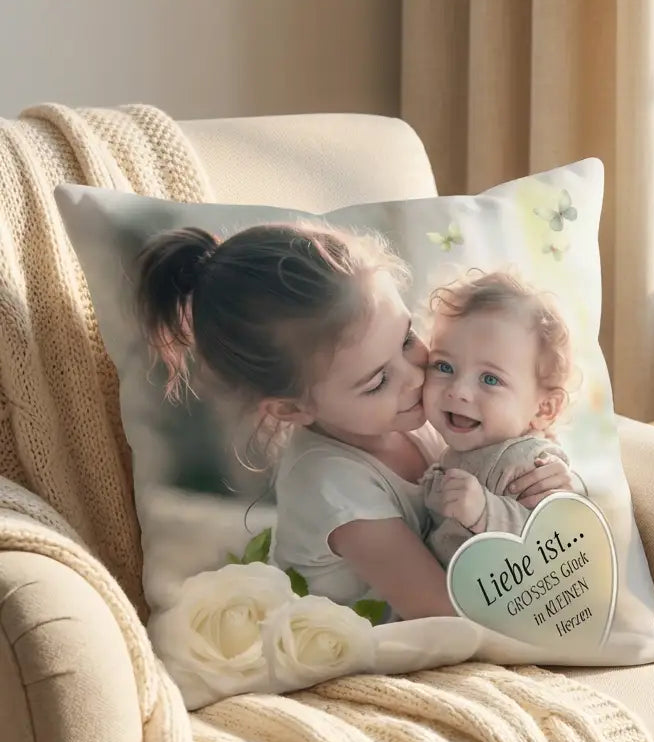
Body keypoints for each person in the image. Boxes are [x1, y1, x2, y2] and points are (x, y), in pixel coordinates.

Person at [134, 222, 572, 619]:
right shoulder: (332, 486)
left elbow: (500, 457)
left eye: (406, 339)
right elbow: (445, 611)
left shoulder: (411, 412)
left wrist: (543, 478)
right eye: (378, 380)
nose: (417, 375)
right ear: (291, 408)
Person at [420, 270, 583, 564]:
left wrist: (486, 513)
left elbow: (559, 543)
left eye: (490, 379)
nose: (459, 391)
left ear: (544, 408)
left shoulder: (530, 462)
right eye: (444, 367)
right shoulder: (457, 450)